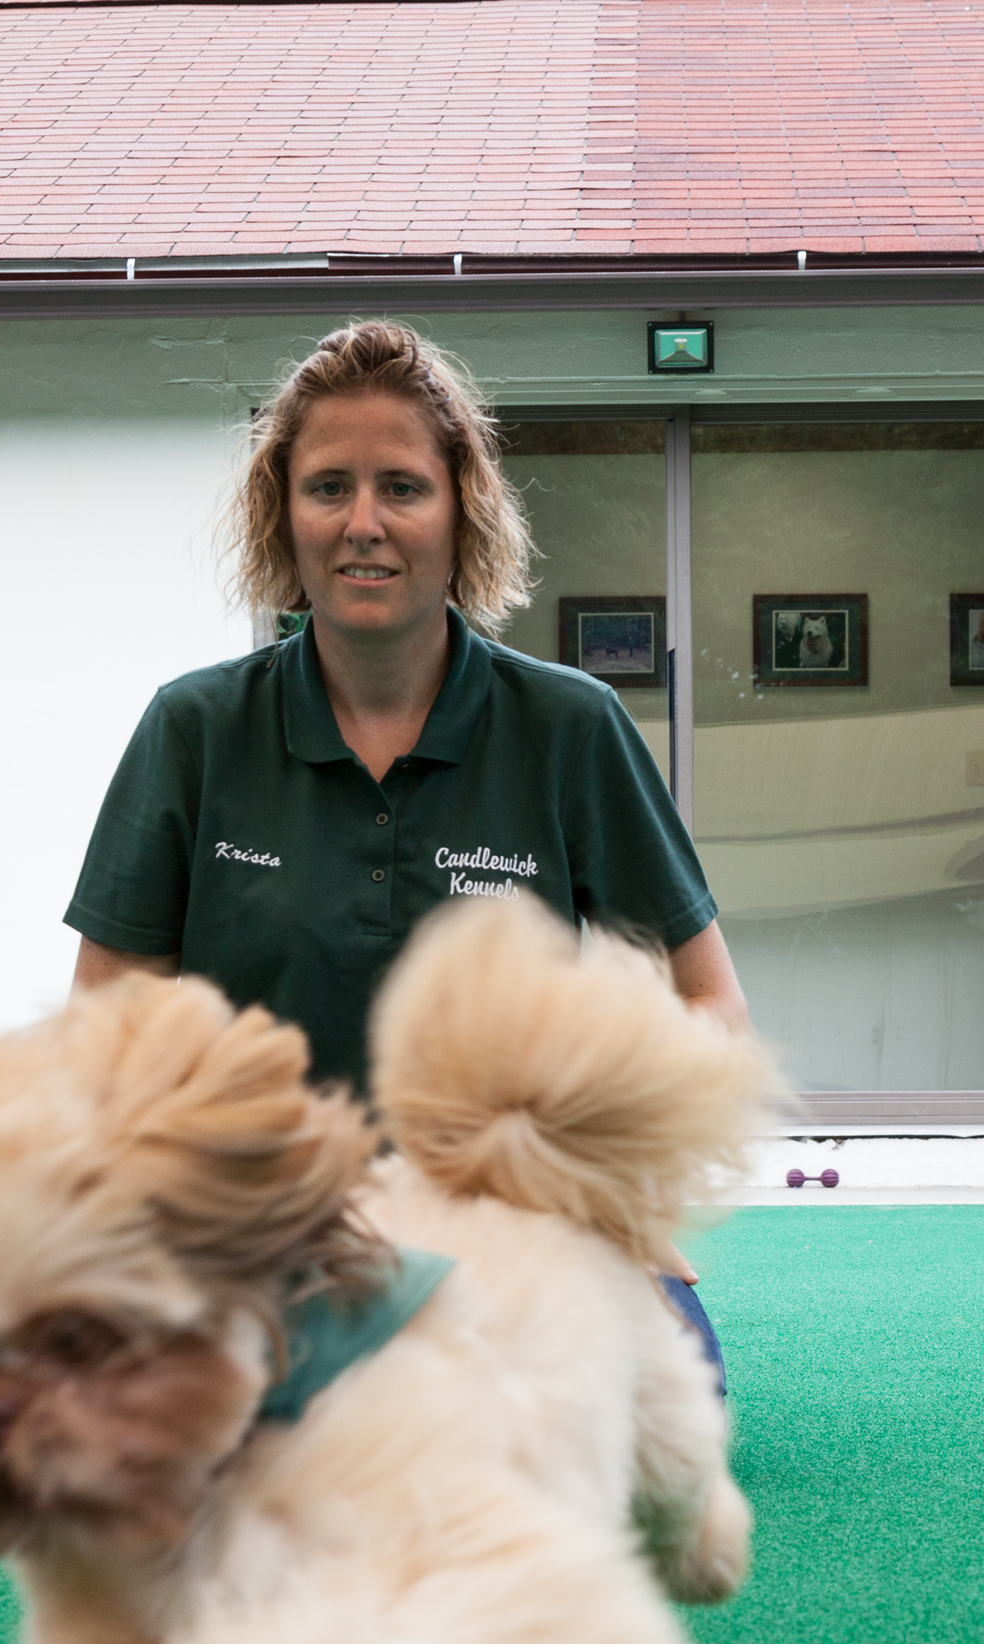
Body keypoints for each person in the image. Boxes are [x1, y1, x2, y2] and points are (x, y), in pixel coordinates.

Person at [62, 319, 747, 1376]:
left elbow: (708, 1008)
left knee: (657, 1404)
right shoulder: (194, 730)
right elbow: (104, 1027)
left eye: (403, 487)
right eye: (329, 486)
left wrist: (620, 1194)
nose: (364, 523)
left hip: (517, 1223)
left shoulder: (571, 726)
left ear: (461, 508)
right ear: (281, 516)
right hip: (266, 1229)